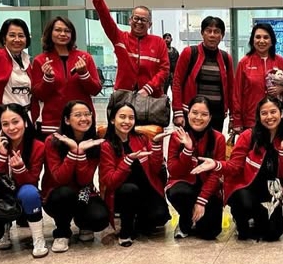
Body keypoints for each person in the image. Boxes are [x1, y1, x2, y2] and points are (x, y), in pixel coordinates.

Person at [192, 96, 283, 241]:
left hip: (269, 192)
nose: (269, 117)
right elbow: (234, 166)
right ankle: (241, 218)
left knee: (274, 233)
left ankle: (259, 218)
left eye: (273, 112)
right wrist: (216, 164)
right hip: (244, 187)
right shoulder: (248, 136)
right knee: (245, 219)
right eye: (264, 113)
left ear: (281, 113)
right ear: (259, 116)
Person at [76, 0, 169, 98]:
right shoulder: (120, 37)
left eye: (143, 20)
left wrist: (147, 89)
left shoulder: (158, 42)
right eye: (136, 18)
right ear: (130, 20)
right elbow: (104, 15)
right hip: (123, 97)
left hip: (151, 98)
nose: (139, 22)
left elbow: (164, 70)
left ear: (150, 24)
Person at [0, 104, 48, 257]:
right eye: (5, 124)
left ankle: (38, 238)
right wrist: (1, 157)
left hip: (22, 195)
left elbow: (32, 182)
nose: (12, 128)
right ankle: (4, 227)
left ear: (25, 122)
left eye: (16, 122)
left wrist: (20, 168)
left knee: (30, 193)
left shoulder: (37, 146)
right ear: (0, 126)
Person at [99, 101, 172, 247]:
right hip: (122, 193)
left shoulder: (141, 138)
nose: (127, 121)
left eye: (131, 118)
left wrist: (156, 146)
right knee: (129, 189)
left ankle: (137, 221)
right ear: (112, 120)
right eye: (122, 117)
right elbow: (111, 181)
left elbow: (155, 169)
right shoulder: (106, 145)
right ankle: (125, 231)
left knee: (159, 218)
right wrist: (127, 161)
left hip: (145, 190)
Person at [42, 101, 109, 252]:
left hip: (83, 193)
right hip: (57, 195)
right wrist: (73, 152)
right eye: (78, 115)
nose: (84, 118)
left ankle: (83, 223)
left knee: (100, 218)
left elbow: (84, 180)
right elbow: (60, 178)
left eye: (87, 114)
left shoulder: (94, 142)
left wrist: (81, 153)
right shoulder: (53, 141)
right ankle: (62, 232)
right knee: (65, 193)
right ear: (67, 120)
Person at [166, 96, 226, 240]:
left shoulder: (218, 138)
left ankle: (195, 219)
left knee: (210, 233)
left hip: (208, 190)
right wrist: (187, 150)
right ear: (188, 114)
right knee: (178, 192)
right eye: (194, 113)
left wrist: (201, 201)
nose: (198, 118)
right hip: (185, 185)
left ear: (210, 118)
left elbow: (216, 174)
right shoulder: (176, 136)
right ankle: (185, 220)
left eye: (204, 114)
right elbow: (174, 171)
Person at [31, 16, 102, 136]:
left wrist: (84, 74)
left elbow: (95, 90)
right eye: (58, 30)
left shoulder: (84, 58)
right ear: (50, 33)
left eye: (67, 31)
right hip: (53, 123)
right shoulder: (40, 60)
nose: (63, 34)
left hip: (83, 122)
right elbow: (39, 95)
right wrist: (48, 78)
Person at [172, 16, 234, 132]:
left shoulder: (226, 58)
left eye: (216, 32)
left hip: (216, 114)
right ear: (202, 33)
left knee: (214, 143)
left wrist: (233, 116)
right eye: (208, 31)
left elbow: (231, 88)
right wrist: (178, 111)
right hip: (192, 113)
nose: (212, 35)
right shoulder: (189, 53)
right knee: (189, 143)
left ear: (222, 35)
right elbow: (177, 82)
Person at [231, 23, 283, 133]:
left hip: (275, 119)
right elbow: (236, 95)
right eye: (258, 37)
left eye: (266, 37)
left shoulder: (281, 62)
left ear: (272, 41)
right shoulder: (244, 63)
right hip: (251, 121)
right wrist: (237, 121)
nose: (261, 41)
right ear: (252, 40)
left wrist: (282, 89)